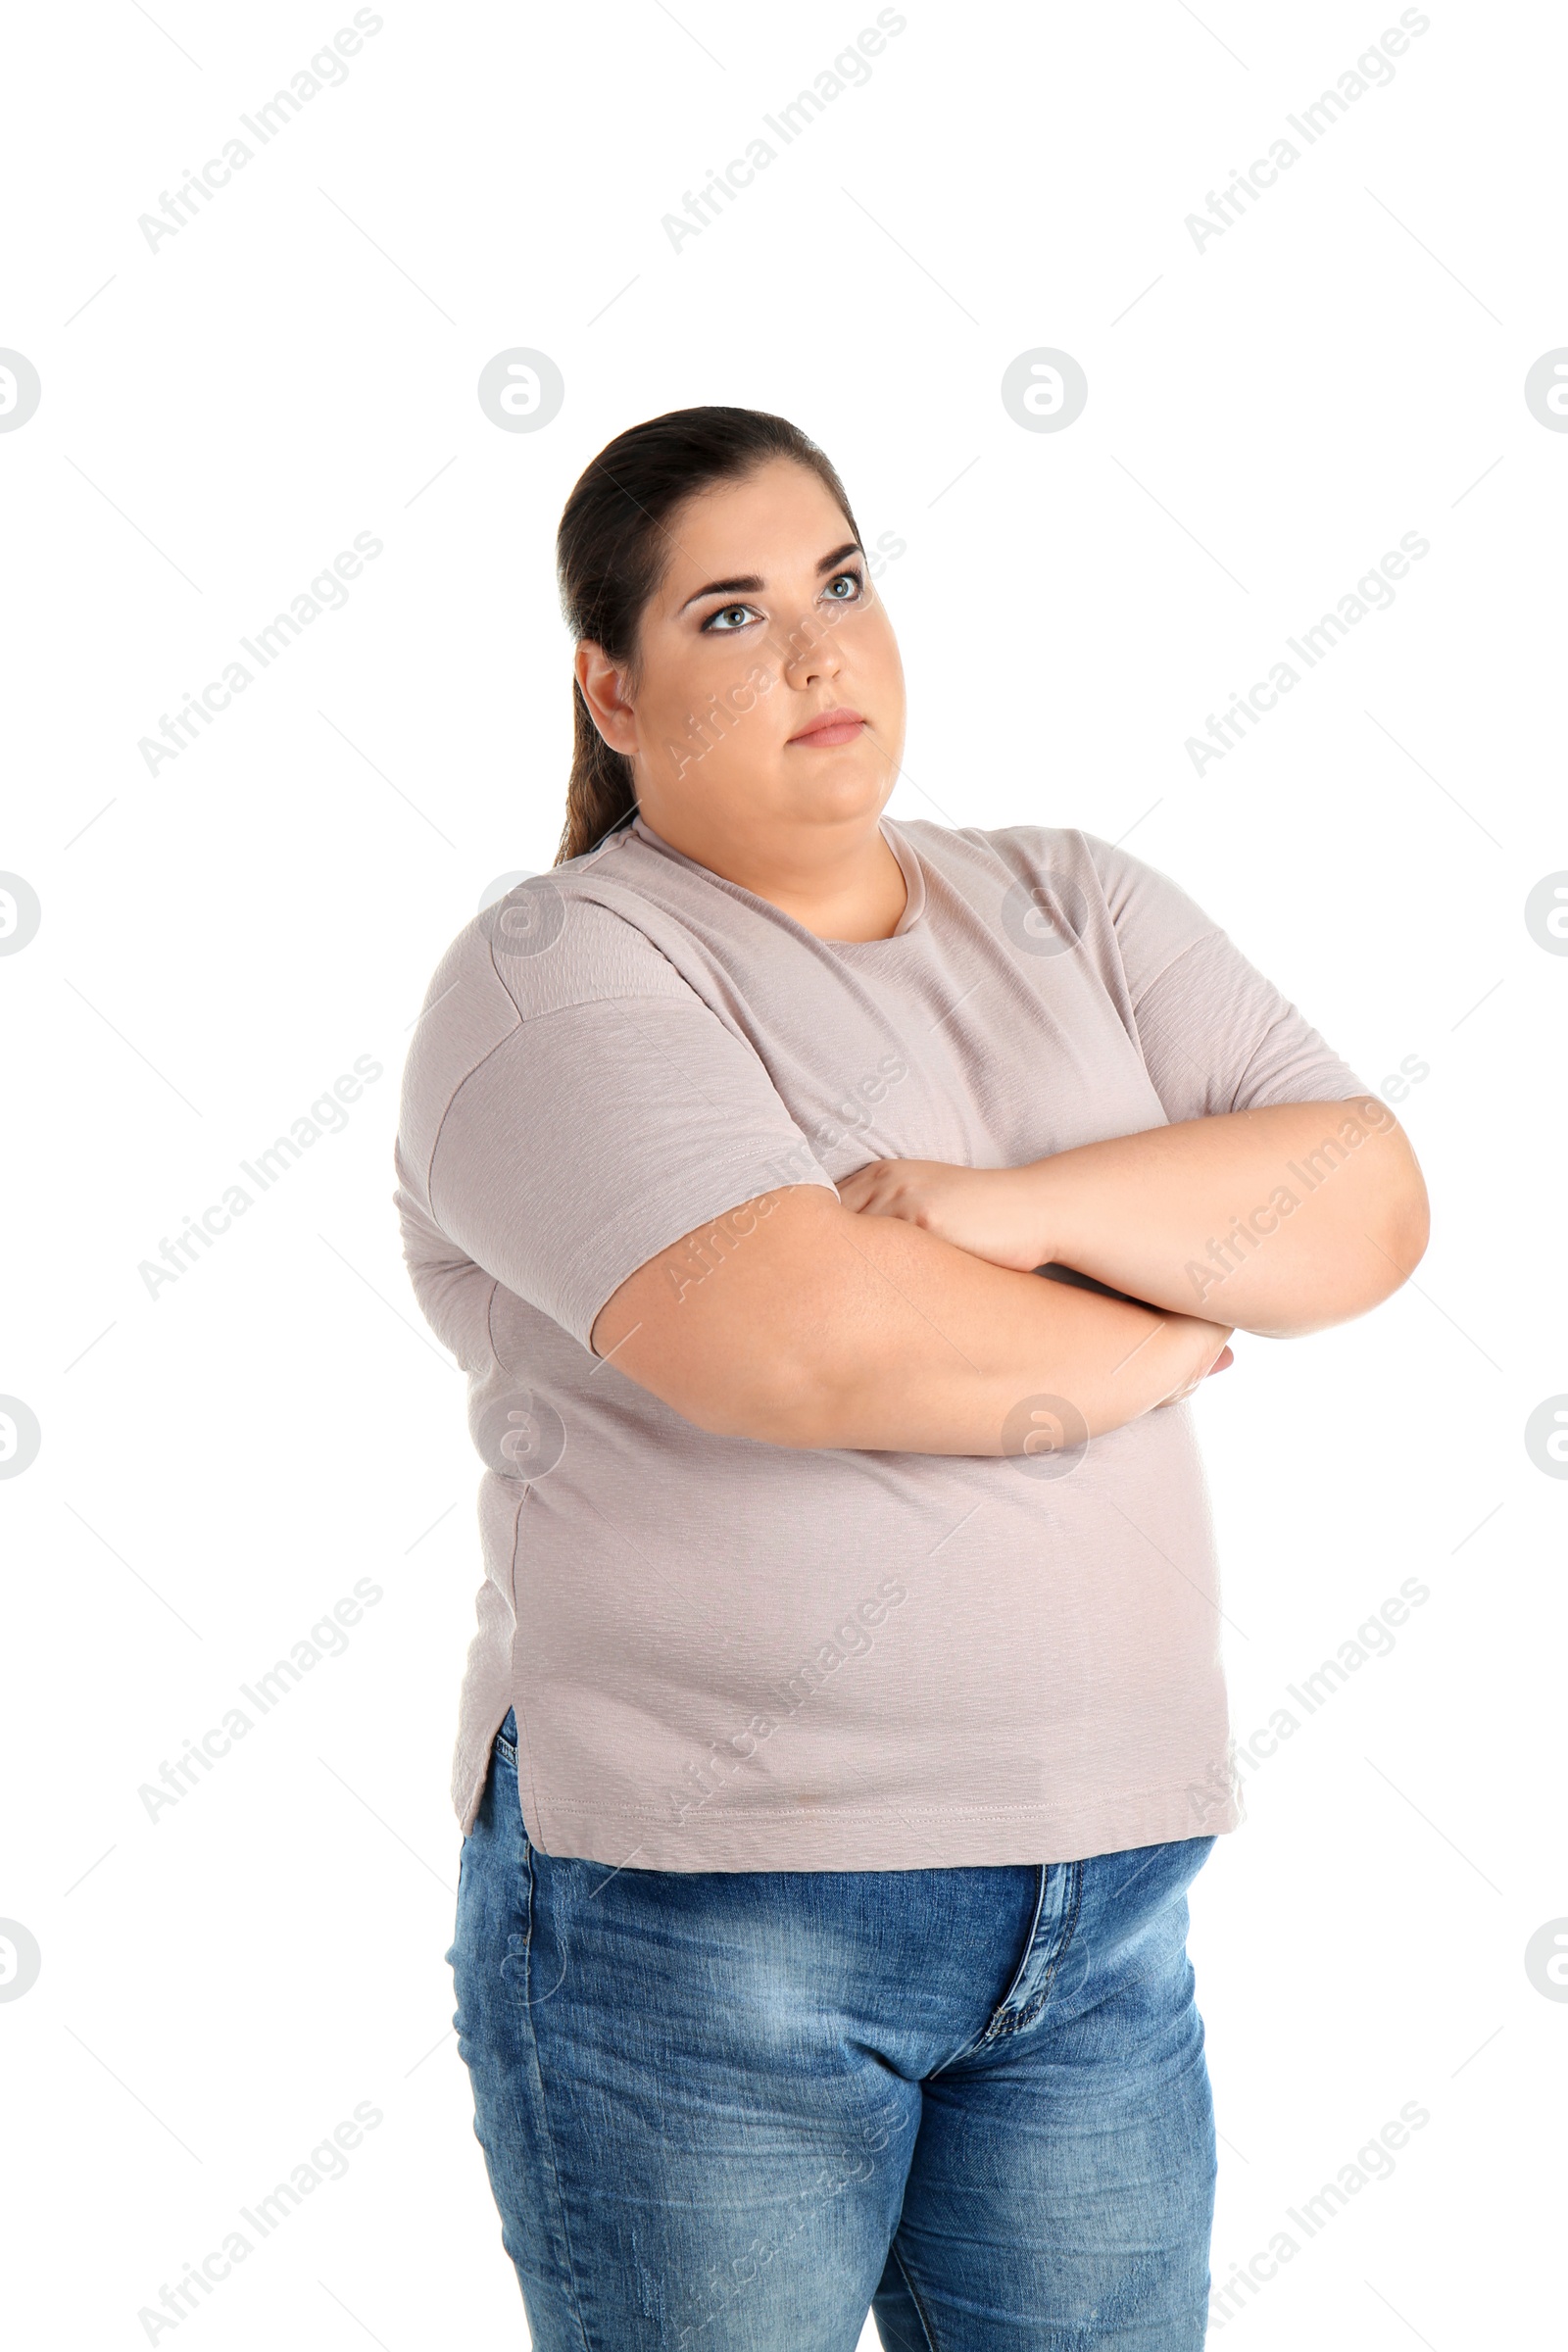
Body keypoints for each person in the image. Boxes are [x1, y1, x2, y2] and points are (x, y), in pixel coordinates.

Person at [392, 405, 1429, 2350]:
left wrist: (999, 1210)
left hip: (1103, 1904)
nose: (813, 650)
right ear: (606, 688)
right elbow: (801, 1342)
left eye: (840, 582)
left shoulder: (1069, 901)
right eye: (727, 613)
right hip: (712, 1929)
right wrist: (1169, 1317)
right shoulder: (558, 975)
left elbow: (1356, 1207)